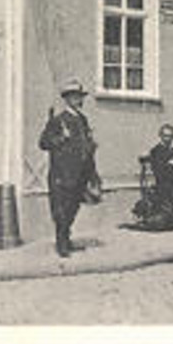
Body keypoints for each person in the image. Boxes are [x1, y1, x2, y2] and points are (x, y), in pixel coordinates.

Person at [38, 76, 97, 257]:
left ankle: (66, 236)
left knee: (74, 207)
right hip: (62, 173)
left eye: (80, 96)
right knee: (61, 208)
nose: (79, 100)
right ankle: (61, 242)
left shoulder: (83, 120)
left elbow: (86, 144)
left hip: (80, 172)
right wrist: (61, 138)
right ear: (68, 99)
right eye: (76, 96)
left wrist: (92, 170)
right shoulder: (58, 120)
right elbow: (43, 143)